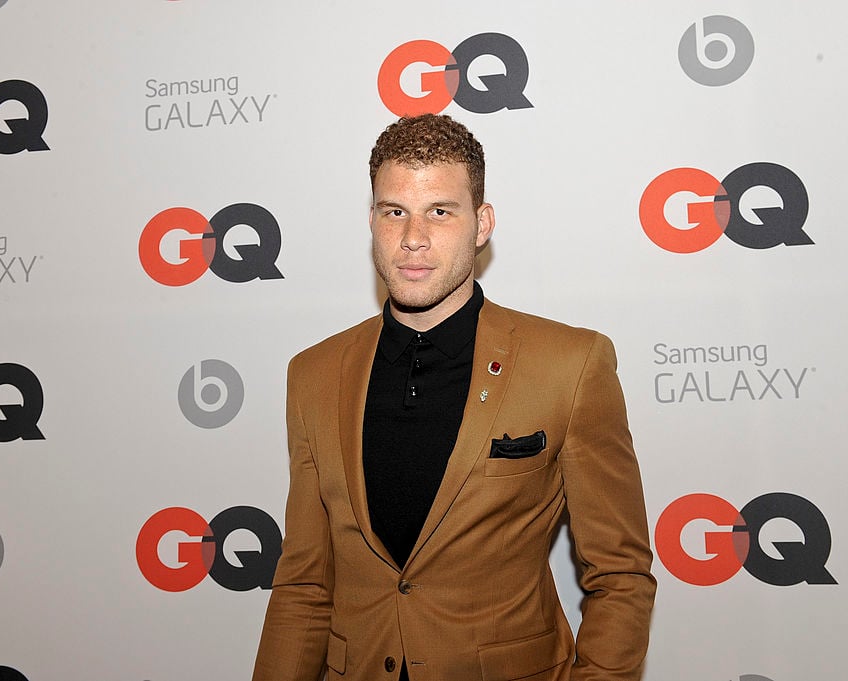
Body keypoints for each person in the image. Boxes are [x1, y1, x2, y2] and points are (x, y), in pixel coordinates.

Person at [253, 114, 655, 681]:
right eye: (395, 212)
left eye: (440, 211)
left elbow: (620, 574)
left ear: (482, 223)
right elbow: (304, 586)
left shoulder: (571, 364)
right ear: (372, 220)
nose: (413, 238)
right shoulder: (314, 374)